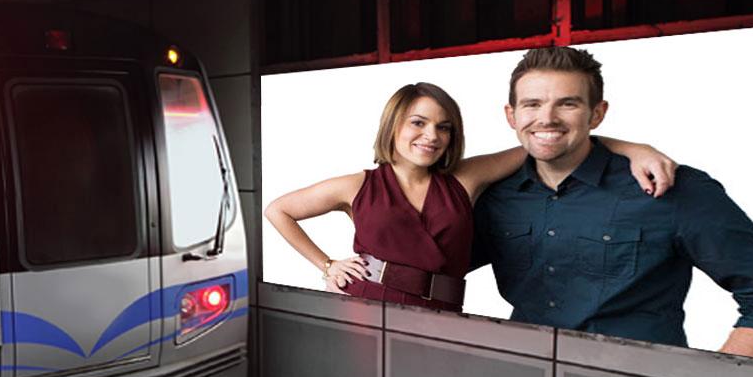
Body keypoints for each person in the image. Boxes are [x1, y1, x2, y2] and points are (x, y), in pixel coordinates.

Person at [472, 46, 753, 359]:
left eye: (568, 104)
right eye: (532, 104)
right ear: (511, 115)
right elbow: (441, 264)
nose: (547, 118)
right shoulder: (495, 197)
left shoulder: (669, 188)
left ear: (597, 113)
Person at [264, 82, 675, 311]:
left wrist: (633, 149)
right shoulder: (356, 185)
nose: (431, 136)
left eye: (443, 127)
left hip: (442, 313)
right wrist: (327, 264)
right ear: (393, 126)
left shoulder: (465, 178)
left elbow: (545, 144)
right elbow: (278, 209)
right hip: (366, 307)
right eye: (418, 123)